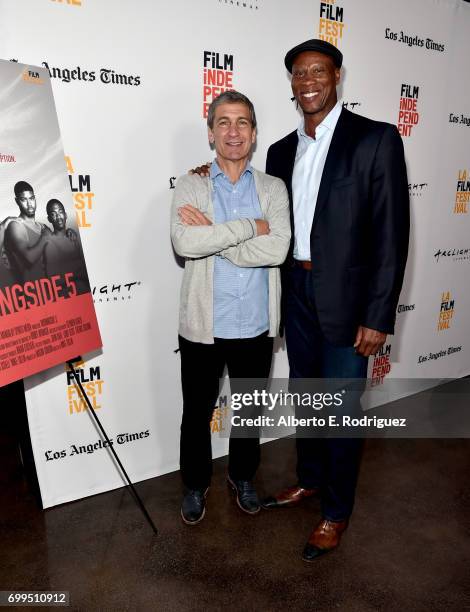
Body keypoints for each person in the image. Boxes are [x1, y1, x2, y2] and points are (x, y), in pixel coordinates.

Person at [260, 39, 409, 561]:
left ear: (337, 76)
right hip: (295, 292)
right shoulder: (279, 151)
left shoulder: (375, 139)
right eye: (298, 73)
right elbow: (263, 217)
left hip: (349, 300)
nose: (307, 82)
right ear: (292, 83)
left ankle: (336, 511)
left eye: (317, 71)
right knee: (307, 395)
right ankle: (311, 479)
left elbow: (391, 234)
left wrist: (378, 315)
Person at [171, 90, 291, 525]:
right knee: (196, 414)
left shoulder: (273, 188)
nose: (233, 131)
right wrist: (246, 229)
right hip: (203, 325)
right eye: (223, 122)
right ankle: (195, 484)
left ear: (254, 133)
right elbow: (185, 242)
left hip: (255, 325)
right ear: (210, 133)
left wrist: (219, 241)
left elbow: (278, 248)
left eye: (242, 122)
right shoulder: (191, 184)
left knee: (249, 411)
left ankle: (242, 477)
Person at [3, 181, 50, 284]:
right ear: (17, 201)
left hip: (51, 290)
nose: (29, 204)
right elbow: (29, 259)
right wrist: (45, 237)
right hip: (31, 294)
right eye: (24, 200)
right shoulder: (16, 226)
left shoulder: (43, 227)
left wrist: (69, 233)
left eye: (32, 198)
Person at [44, 198, 90, 294]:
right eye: (53, 214)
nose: (58, 217)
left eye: (60, 212)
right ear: (49, 219)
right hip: (71, 296)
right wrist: (78, 272)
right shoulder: (49, 244)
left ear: (65, 215)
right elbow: (53, 281)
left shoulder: (73, 236)